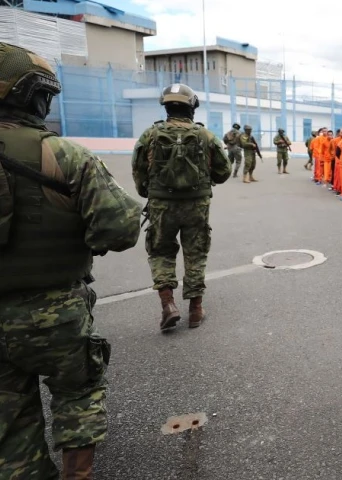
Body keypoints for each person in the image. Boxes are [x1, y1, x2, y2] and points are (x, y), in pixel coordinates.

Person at [0, 42, 142, 479]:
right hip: (56, 310)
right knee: (77, 392)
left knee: (10, 420)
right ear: (30, 96)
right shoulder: (65, 155)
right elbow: (120, 229)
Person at [132, 83, 230, 331]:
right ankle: (195, 310)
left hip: (161, 205)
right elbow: (223, 171)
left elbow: (139, 170)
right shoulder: (206, 136)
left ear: (166, 106)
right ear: (192, 107)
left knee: (161, 252)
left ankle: (168, 305)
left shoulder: (150, 135)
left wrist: (149, 192)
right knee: (195, 253)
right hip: (196, 205)